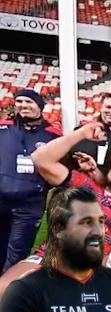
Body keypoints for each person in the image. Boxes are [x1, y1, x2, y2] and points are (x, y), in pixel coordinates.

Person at [32, 122, 111, 253]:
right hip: (54, 254)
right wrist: (80, 134)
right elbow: (40, 159)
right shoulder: (84, 183)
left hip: (92, 263)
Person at [0, 89, 61, 272]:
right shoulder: (4, 129)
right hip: (1, 199)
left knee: (17, 253)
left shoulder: (52, 135)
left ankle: (7, 293)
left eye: (29, 102)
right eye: (19, 102)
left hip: (29, 204)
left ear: (39, 107)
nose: (23, 105)